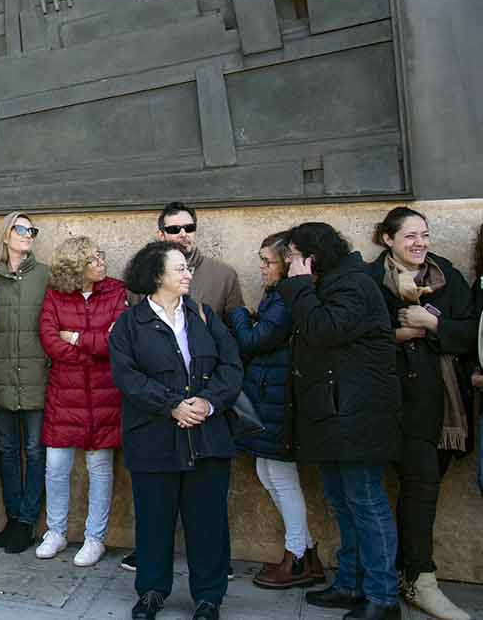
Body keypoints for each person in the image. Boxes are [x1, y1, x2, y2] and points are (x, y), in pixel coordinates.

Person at [277, 223, 402, 620]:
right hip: (334, 415)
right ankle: (350, 585)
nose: (288, 263)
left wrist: (298, 286)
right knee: (344, 504)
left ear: (313, 255)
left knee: (366, 503)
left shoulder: (353, 284)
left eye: (293, 255)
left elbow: (322, 329)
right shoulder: (334, 282)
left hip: (356, 415)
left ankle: (383, 598)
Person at [112, 240, 242, 620]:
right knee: (154, 520)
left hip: (206, 436)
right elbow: (126, 376)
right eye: (180, 269)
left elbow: (231, 366)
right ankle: (152, 591)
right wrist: (171, 405)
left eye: (188, 268)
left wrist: (208, 402)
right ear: (157, 277)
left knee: (208, 523)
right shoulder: (129, 324)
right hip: (153, 438)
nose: (188, 274)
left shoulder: (202, 314)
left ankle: (208, 597)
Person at [365, 207, 476, 620]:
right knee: (420, 486)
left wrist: (431, 324)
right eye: (410, 236)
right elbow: (358, 337)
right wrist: (399, 333)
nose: (420, 243)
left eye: (425, 235)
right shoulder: (371, 280)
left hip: (444, 406)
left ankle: (404, 574)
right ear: (388, 239)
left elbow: (471, 332)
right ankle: (419, 578)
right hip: (395, 403)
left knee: (421, 489)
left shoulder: (447, 275)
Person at [229, 232, 324, 590]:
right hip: (268, 396)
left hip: (280, 399)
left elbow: (255, 340)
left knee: (282, 478)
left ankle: (297, 555)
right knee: (268, 472)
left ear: (286, 264)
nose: (262, 268)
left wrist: (239, 314)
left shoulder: (286, 297)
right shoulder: (277, 296)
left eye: (267, 261)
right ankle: (307, 551)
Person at [35, 236, 126, 566]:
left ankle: (94, 538)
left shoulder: (116, 291)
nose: (101, 263)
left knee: (99, 468)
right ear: (76, 268)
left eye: (101, 256)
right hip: (65, 394)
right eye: (93, 259)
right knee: (56, 467)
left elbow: (117, 342)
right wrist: (95, 351)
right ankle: (56, 532)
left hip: (105, 396)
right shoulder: (55, 296)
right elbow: (49, 341)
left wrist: (75, 338)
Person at [0, 211, 51, 553]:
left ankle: (27, 520)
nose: (28, 235)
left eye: (32, 230)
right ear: (6, 235)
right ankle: (12, 518)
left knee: (35, 450)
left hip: (37, 376)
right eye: (21, 229)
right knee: (7, 451)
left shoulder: (45, 276)